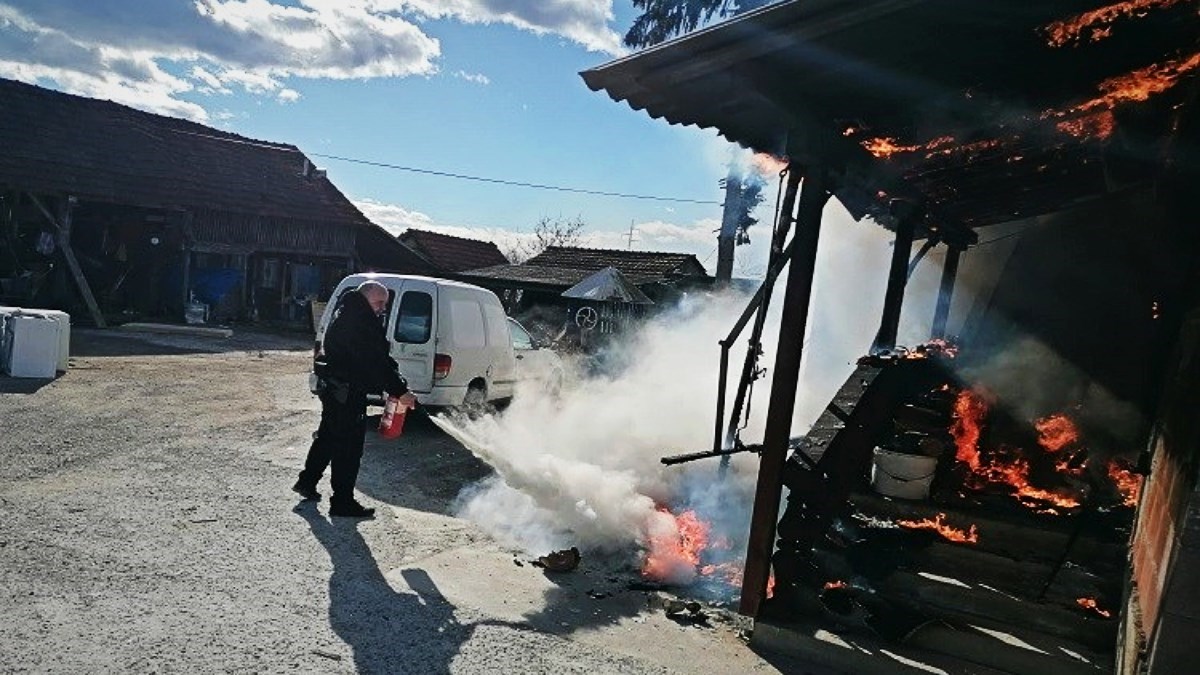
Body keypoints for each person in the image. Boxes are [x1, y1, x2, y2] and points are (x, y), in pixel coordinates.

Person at [293, 281, 416, 517]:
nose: (382, 308)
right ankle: (342, 502)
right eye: (379, 303)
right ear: (365, 297)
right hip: (346, 393)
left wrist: (398, 383)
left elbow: (378, 356)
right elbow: (374, 362)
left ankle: (307, 482)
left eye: (384, 304)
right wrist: (400, 391)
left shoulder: (348, 312)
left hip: (336, 391)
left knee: (328, 437)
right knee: (348, 449)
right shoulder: (359, 321)